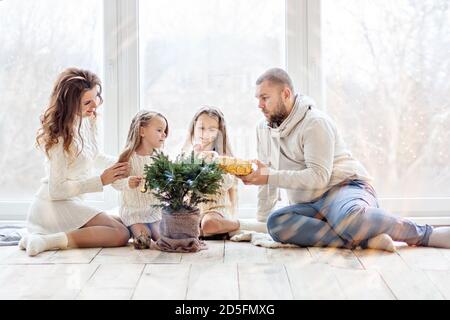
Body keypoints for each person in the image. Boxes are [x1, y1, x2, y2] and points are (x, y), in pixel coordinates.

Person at [240, 67, 450, 251]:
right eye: (257, 98)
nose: (259, 105)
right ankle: (363, 241)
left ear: (286, 93)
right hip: (312, 204)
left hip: (345, 189)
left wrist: (267, 176)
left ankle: (424, 234)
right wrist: (263, 218)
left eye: (265, 98)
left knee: (350, 219)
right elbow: (266, 180)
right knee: (277, 223)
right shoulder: (263, 129)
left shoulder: (314, 123)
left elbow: (317, 178)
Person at [19, 67, 130, 256]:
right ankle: (45, 240)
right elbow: (57, 190)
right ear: (70, 104)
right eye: (87, 102)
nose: (94, 105)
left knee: (124, 223)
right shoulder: (59, 138)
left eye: (95, 98)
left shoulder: (85, 121)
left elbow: (94, 156)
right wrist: (101, 181)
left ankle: (38, 238)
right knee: (120, 234)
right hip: (52, 206)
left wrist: (126, 163)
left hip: (70, 203)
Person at [113, 110, 168, 249]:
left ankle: (141, 229)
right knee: (144, 242)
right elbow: (114, 181)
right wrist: (127, 182)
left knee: (164, 241)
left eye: (165, 131)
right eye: (160, 130)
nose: (164, 134)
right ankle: (132, 227)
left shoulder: (160, 157)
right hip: (135, 213)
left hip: (155, 212)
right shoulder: (128, 156)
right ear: (142, 131)